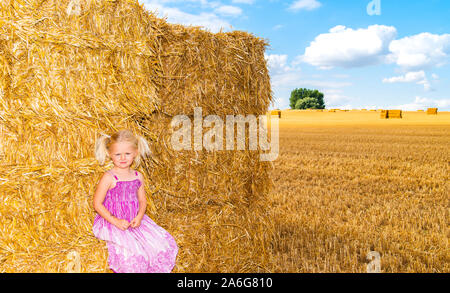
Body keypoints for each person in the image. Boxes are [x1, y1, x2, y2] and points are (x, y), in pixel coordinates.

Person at [92, 129, 178, 273]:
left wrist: (139, 217)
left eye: (127, 153)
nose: (123, 158)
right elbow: (97, 204)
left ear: (135, 153)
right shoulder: (109, 177)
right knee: (132, 255)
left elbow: (142, 201)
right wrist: (115, 221)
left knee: (159, 246)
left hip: (134, 221)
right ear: (110, 154)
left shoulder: (138, 176)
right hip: (113, 222)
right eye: (118, 154)